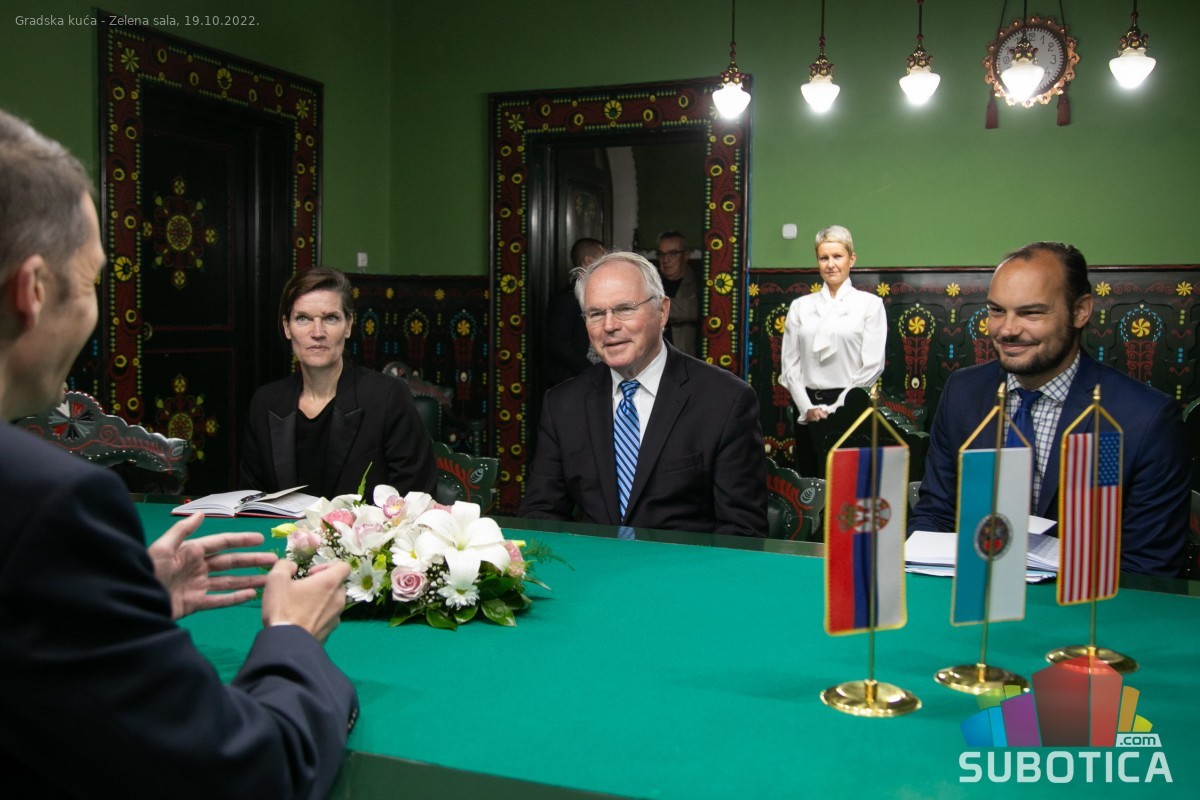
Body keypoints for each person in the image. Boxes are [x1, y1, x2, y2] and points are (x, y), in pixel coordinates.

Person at [0, 109, 356, 796]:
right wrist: (292, 639)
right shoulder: (49, 505)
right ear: (33, 293)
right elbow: (251, 772)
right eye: (94, 282)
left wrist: (112, 609)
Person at [910, 242, 1189, 577]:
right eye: (997, 310)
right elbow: (936, 514)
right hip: (975, 595)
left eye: (1031, 313)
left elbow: (1149, 568)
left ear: (1080, 311)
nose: (1007, 329)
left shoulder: (1146, 419)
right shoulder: (962, 392)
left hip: (1085, 604)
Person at [519, 251, 767, 536]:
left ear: (662, 311)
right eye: (596, 314)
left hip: (685, 564)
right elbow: (540, 514)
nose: (609, 326)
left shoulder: (725, 400)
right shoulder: (563, 404)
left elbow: (742, 531)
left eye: (625, 309)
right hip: (593, 563)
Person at [240, 267, 437, 499]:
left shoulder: (387, 397)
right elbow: (249, 498)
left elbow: (416, 497)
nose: (317, 332)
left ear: (349, 325)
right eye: (302, 318)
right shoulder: (265, 402)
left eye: (330, 318)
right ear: (286, 327)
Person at [778, 225, 886, 476]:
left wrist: (834, 408)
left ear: (852, 258)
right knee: (810, 480)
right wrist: (807, 408)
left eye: (837, 256)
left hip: (851, 406)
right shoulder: (800, 307)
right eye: (823, 258)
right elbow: (790, 366)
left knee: (848, 482)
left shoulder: (870, 305)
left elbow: (872, 366)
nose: (831, 264)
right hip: (806, 408)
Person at [544, 237, 605, 386]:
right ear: (588, 261)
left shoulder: (595, 293)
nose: (607, 264)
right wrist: (588, 369)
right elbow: (557, 342)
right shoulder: (569, 298)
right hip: (574, 379)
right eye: (603, 258)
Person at [655, 231, 701, 357]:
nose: (666, 259)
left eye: (673, 253)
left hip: (685, 358)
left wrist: (652, 304)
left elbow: (694, 310)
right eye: (661, 254)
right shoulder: (650, 282)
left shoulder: (699, 282)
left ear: (686, 255)